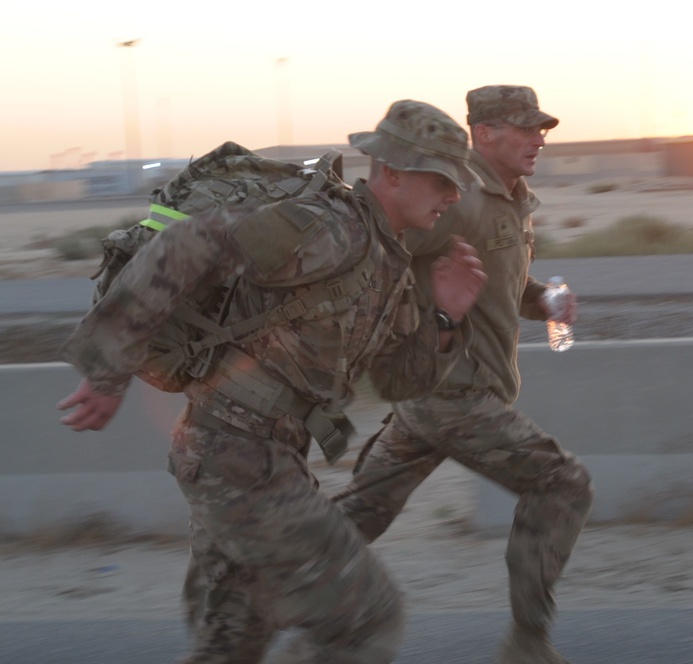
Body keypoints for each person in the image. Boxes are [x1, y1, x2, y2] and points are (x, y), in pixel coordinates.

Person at [56, 99, 486, 664]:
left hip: (258, 459)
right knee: (367, 618)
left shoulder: (389, 266)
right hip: (236, 457)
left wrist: (447, 318)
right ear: (393, 172)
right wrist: (108, 369)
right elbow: (188, 244)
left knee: (232, 644)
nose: (452, 196)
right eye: (441, 180)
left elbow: (400, 379)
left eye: (458, 184)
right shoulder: (328, 230)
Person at [334, 85, 594, 664]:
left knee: (357, 518)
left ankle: (247, 586)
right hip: (454, 392)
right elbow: (380, 245)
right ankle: (528, 644)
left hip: (436, 394)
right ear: (484, 134)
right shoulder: (461, 198)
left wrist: (545, 302)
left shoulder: (511, 198)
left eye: (541, 127)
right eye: (526, 128)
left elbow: (497, 283)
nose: (540, 138)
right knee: (562, 483)